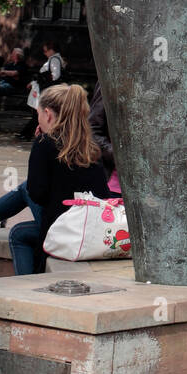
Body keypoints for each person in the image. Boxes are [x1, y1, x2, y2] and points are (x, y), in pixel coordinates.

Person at [7, 84, 110, 276]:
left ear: (47, 114)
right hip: (90, 226)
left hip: (61, 229)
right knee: (22, 227)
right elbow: (102, 193)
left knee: (18, 226)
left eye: (38, 114)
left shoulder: (45, 143)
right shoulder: (91, 146)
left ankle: (26, 285)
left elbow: (37, 193)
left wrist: (37, 148)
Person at [17, 41, 65, 140]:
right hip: (44, 89)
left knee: (38, 113)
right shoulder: (54, 59)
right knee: (38, 113)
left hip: (46, 91)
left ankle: (27, 134)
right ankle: (27, 133)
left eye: (45, 51)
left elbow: (55, 76)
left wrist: (43, 79)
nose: (44, 53)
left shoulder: (54, 60)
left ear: (51, 50)